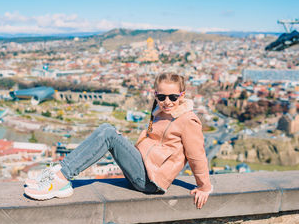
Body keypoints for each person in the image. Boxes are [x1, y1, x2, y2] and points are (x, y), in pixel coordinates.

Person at [24, 72, 213, 209]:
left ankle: (61, 179)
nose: (167, 101)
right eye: (161, 96)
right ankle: (59, 173)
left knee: (109, 134)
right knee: (107, 128)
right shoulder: (159, 112)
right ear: (155, 95)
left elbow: (197, 155)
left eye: (173, 97)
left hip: (150, 181)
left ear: (182, 96)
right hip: (143, 167)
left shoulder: (188, 120)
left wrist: (204, 187)